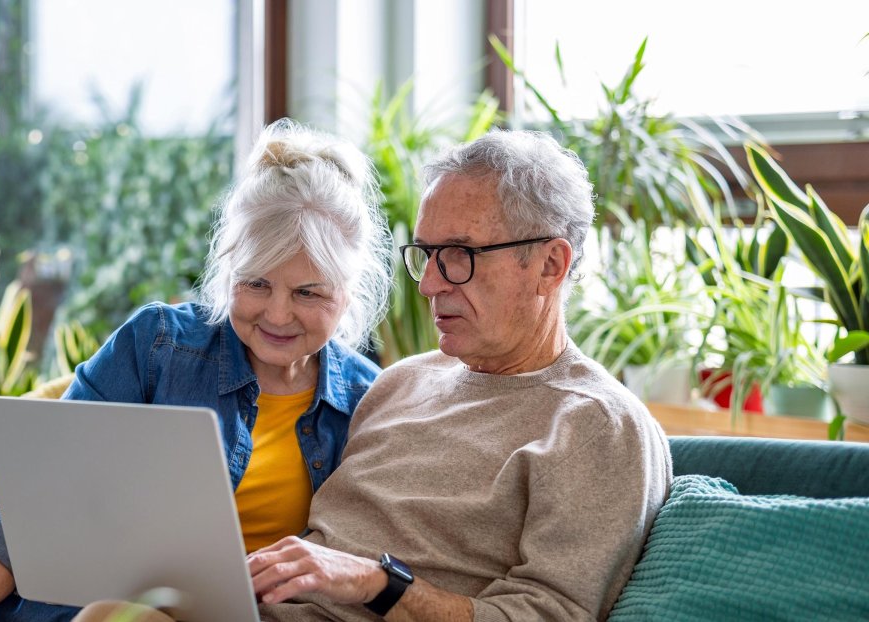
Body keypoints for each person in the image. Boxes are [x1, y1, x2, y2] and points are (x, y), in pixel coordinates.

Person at [79, 129, 672, 622]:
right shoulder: (398, 385)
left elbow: (551, 614)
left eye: (459, 255)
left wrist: (378, 583)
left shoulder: (597, 424)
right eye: (427, 254)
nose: (430, 284)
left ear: (549, 264)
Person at [0, 119, 395, 622]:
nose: (278, 315)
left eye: (307, 292)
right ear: (228, 271)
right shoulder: (158, 345)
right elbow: (36, 504)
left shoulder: (370, 402)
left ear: (348, 291)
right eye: (256, 284)